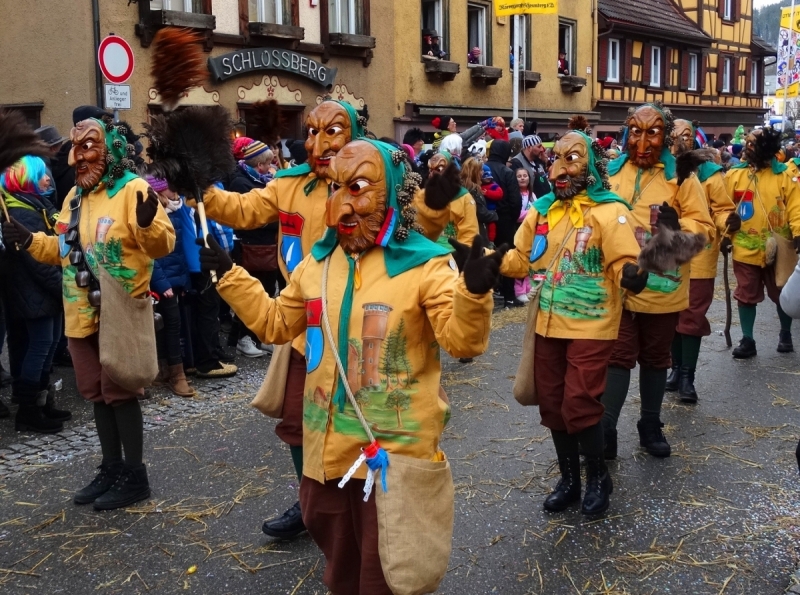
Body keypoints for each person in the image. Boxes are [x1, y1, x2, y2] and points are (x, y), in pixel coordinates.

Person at [198, 138, 502, 595]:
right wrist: (230, 274)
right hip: (328, 456)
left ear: (392, 192)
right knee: (340, 574)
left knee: (388, 577)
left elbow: (463, 342)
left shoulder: (427, 266)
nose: (342, 204)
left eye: (358, 187)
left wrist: (474, 295)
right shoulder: (320, 264)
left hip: (392, 459)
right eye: (336, 188)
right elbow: (276, 324)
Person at [190, 100, 368, 539]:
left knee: (355, 423)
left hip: (355, 327)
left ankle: (357, 503)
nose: (318, 142)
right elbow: (240, 209)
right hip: (300, 325)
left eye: (333, 132)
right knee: (295, 422)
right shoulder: (288, 186)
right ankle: (309, 503)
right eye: (310, 132)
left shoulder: (373, 187)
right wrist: (199, 185)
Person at [2, 117, 175, 510]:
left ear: (111, 149)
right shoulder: (75, 198)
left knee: (120, 391)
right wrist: (30, 241)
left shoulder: (133, 189)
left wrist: (148, 225)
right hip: (80, 312)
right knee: (96, 393)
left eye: (89, 145)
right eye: (75, 147)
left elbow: (163, 245)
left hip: (121, 309)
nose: (78, 155)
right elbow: (63, 250)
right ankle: (111, 467)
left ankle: (135, 475)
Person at [491, 116, 647, 516]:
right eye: (556, 159)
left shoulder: (610, 213)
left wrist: (631, 273)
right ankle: (570, 479)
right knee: (555, 403)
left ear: (591, 167)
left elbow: (623, 262)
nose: (559, 169)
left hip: (592, 324)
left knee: (579, 402)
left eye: (571, 160)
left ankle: (598, 476)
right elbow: (521, 259)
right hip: (547, 323)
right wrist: (489, 263)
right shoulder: (543, 211)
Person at [600, 102, 714, 460]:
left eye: (653, 133)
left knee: (654, 358)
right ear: (627, 132)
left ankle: (650, 424)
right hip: (619, 283)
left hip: (663, 284)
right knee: (617, 357)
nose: (644, 141)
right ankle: (606, 430)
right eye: (637, 131)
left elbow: (705, 229)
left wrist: (677, 228)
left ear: (664, 136)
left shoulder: (682, 178)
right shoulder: (610, 173)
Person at [666, 120, 739, 403]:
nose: (681, 140)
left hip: (699, 253)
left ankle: (688, 376)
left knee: (692, 315)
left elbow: (721, 210)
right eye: (675, 135)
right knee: (670, 314)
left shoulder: (710, 174)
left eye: (686, 135)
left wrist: (728, 222)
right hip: (667, 254)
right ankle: (674, 369)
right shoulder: (661, 171)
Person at [1, 156, 71, 433]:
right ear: (25, 179)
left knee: (50, 346)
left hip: (45, 290)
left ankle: (43, 403)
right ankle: (29, 411)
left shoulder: (36, 204)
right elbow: (37, 262)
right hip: (35, 292)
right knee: (40, 347)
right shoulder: (22, 213)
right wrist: (63, 286)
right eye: (41, 175)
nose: (48, 180)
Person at [724, 127, 800, 358]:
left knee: (781, 291)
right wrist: (725, 233)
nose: (749, 147)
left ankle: (785, 333)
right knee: (746, 294)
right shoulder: (734, 176)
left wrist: (798, 233)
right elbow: (724, 208)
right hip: (746, 246)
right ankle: (748, 339)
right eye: (748, 142)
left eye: (755, 143)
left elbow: (796, 207)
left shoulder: (785, 176)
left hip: (779, 246)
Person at [224, 138, 282, 359]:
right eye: (267, 164)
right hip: (250, 246)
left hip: (265, 244)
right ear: (259, 165)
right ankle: (243, 338)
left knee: (266, 291)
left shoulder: (261, 180)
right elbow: (252, 214)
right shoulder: (241, 183)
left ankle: (259, 336)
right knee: (251, 292)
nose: (270, 168)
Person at [147, 176, 196, 398]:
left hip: (175, 277)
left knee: (172, 324)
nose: (175, 191)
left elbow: (180, 250)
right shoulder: (152, 214)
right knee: (167, 325)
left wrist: (183, 280)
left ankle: (173, 370)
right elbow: (149, 253)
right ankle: (174, 373)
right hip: (161, 280)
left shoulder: (176, 209)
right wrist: (161, 282)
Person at [486, 140, 524, 307]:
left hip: (486, 220)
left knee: (486, 254)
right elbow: (515, 201)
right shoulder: (507, 172)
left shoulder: (481, 168)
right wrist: (512, 217)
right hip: (505, 219)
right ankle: (509, 295)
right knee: (507, 255)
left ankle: (490, 293)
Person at [413, 152, 480, 246]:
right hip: (427, 250)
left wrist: (462, 254)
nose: (432, 174)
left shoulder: (464, 197)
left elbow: (469, 233)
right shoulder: (423, 194)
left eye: (439, 169)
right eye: (430, 170)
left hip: (452, 252)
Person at [460, 157, 497, 242]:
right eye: (480, 170)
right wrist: (494, 214)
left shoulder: (465, 187)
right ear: (474, 172)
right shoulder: (472, 190)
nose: (482, 172)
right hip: (476, 231)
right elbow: (480, 213)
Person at [511, 135, 552, 199]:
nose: (542, 149)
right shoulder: (516, 163)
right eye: (539, 146)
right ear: (529, 148)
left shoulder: (538, 160)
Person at [480, 164, 503, 243]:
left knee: (492, 227)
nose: (488, 179)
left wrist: (487, 193)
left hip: (491, 210)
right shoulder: (478, 186)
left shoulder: (494, 186)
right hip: (481, 211)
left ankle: (491, 241)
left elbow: (499, 194)